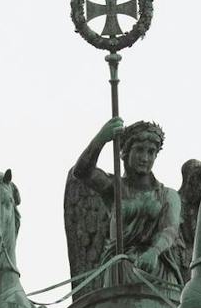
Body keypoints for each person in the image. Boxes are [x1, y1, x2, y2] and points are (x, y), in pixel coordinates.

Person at [70, 116, 187, 287]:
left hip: (158, 270)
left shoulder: (168, 195)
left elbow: (170, 230)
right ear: (125, 153)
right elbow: (81, 172)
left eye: (151, 152)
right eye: (139, 150)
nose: (145, 158)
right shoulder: (113, 188)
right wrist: (101, 138)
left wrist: (154, 251)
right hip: (121, 269)